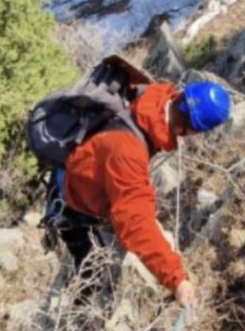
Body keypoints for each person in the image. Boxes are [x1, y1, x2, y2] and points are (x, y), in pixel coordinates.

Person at [60, 81, 231, 307]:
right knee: (91, 285)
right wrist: (176, 279)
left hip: (92, 181)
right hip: (77, 203)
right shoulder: (127, 150)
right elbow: (135, 223)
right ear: (192, 129)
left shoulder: (152, 99)